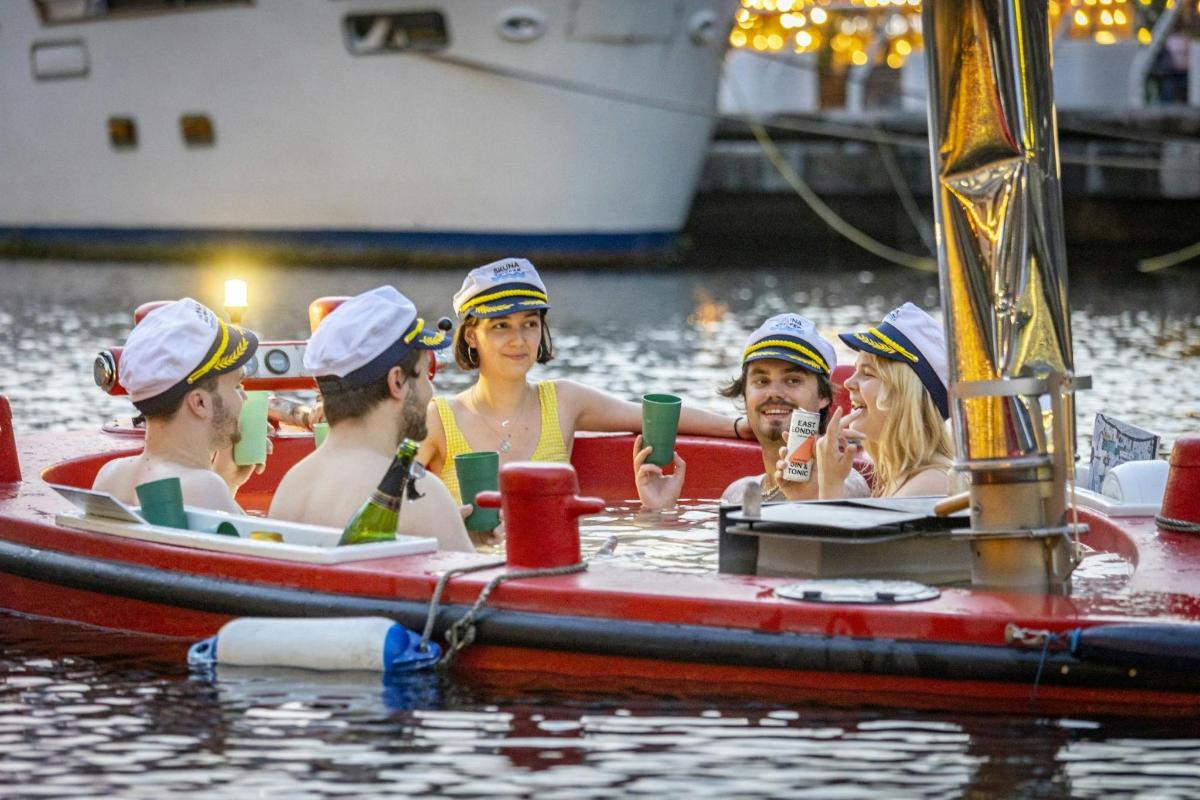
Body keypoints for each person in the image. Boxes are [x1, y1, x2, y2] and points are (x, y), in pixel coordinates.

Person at [420, 257, 746, 504]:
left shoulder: (564, 400)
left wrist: (735, 427)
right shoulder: (438, 418)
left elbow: (649, 414)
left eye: (530, 324)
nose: (519, 339)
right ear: (472, 337)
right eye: (500, 326)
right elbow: (389, 504)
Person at [269, 286, 473, 552]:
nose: (430, 391)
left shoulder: (292, 487)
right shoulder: (419, 494)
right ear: (397, 381)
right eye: (424, 374)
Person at [635, 314, 870, 510]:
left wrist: (816, 496)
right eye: (761, 381)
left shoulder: (845, 485)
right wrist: (660, 511)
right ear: (745, 395)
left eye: (793, 380)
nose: (774, 393)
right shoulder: (736, 493)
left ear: (823, 397)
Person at [93, 297, 261, 512]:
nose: (244, 399)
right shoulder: (204, 488)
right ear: (200, 403)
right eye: (237, 386)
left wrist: (228, 481)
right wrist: (222, 485)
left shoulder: (110, 476)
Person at [811, 302, 953, 498]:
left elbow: (834, 528)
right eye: (855, 370)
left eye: (867, 374)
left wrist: (830, 484)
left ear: (905, 396)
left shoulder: (931, 483)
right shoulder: (897, 480)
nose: (848, 383)